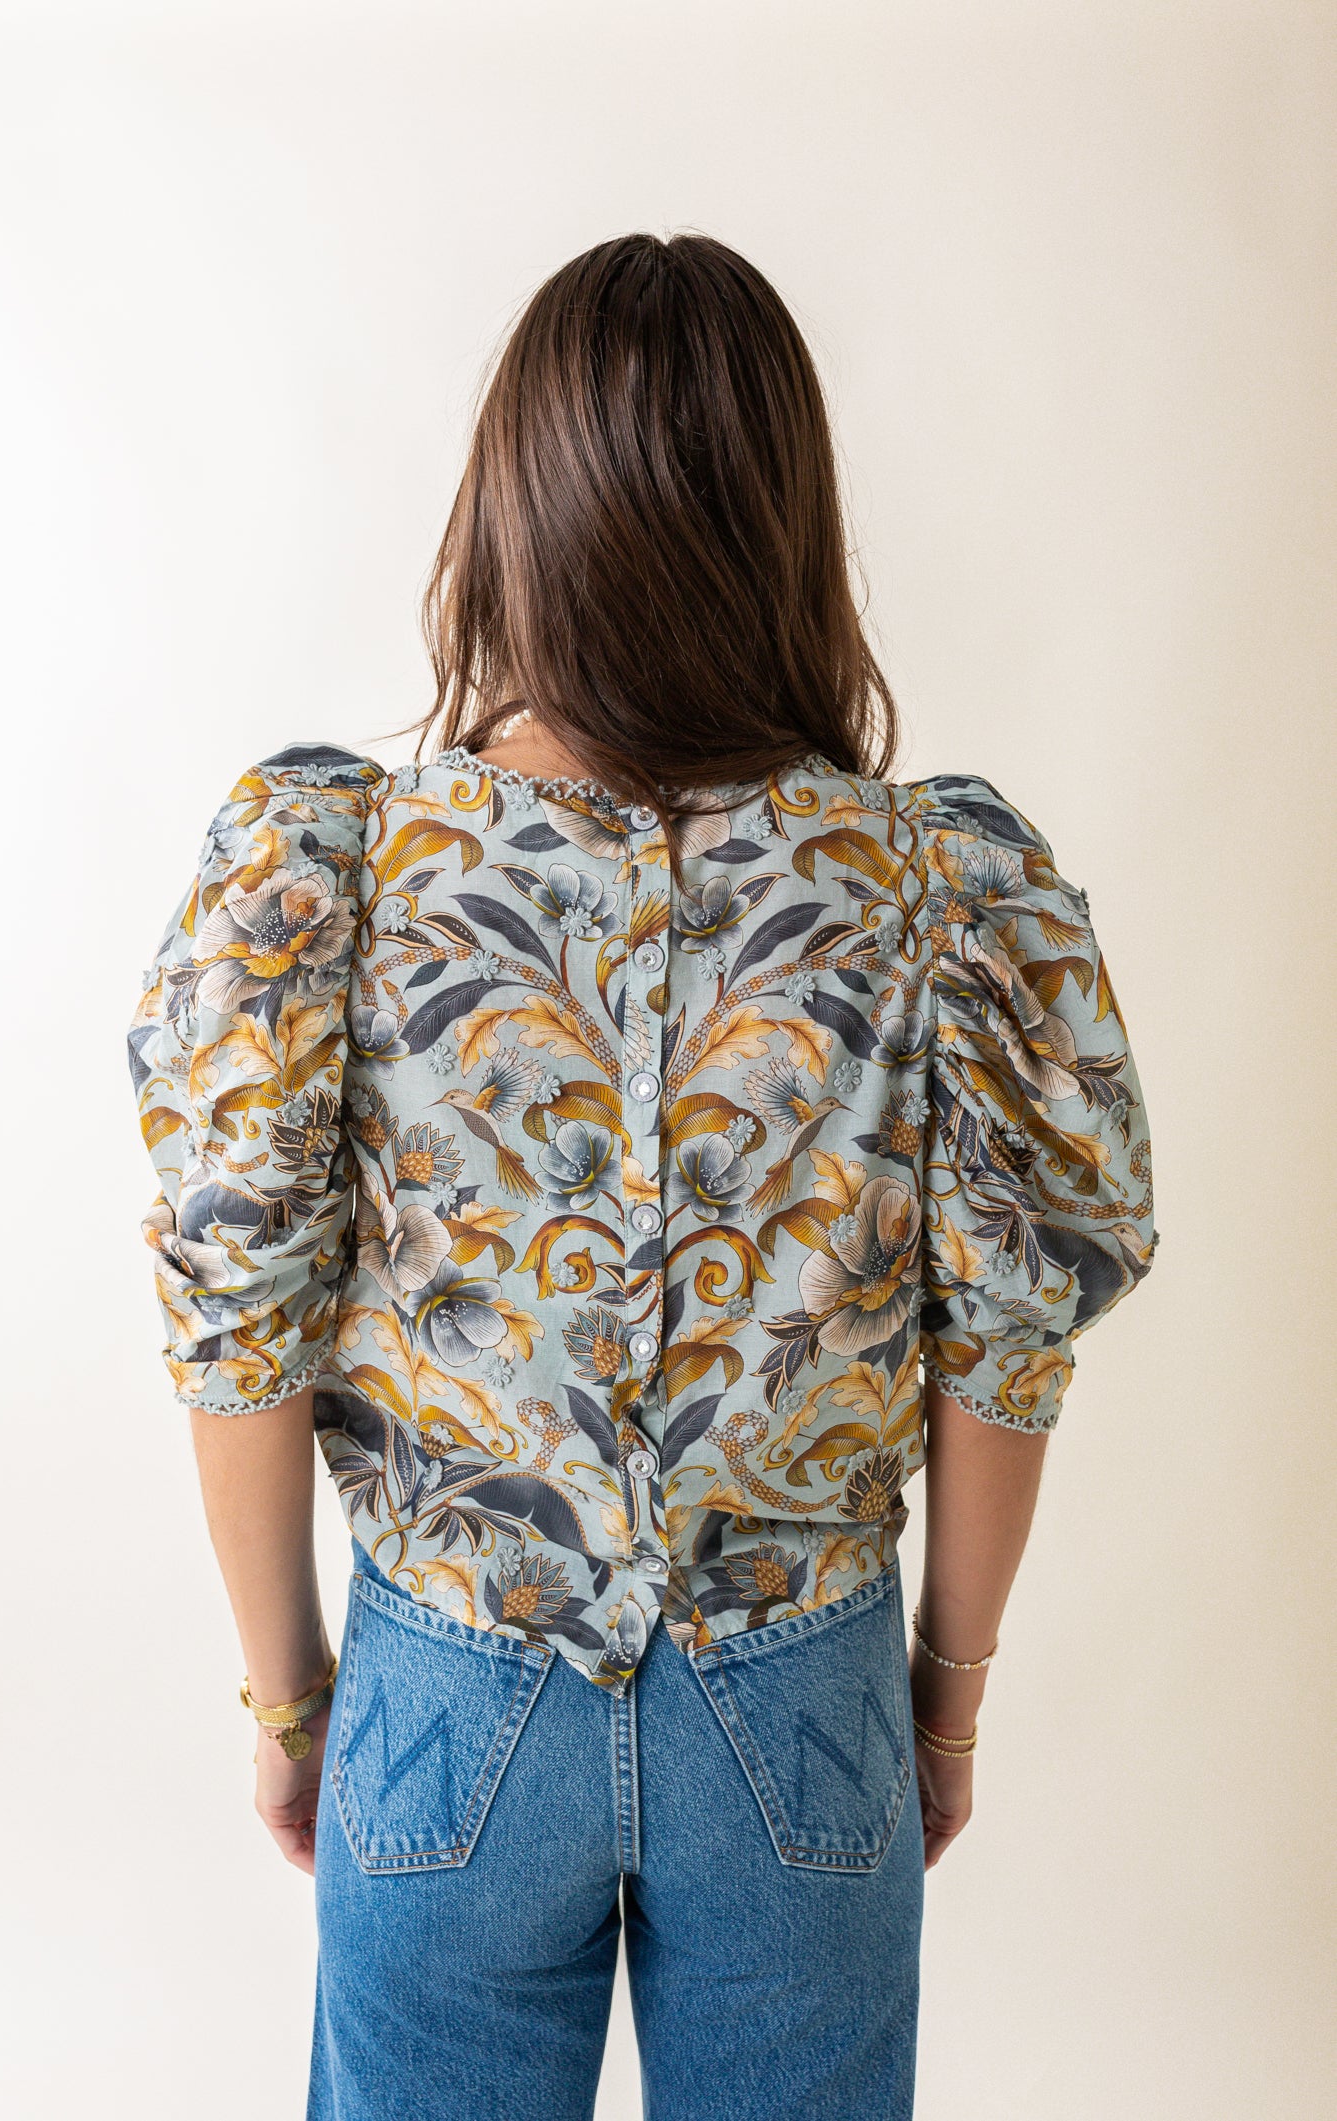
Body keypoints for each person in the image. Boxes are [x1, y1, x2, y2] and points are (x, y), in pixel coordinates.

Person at [128, 233, 1158, 2121]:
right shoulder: (931, 889)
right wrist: (944, 1697)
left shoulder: (339, 873)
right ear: (788, 523)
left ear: (511, 514)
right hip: (799, 1698)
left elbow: (238, 1320)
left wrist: (293, 1700)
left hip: (451, 1690)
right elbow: (1004, 1345)